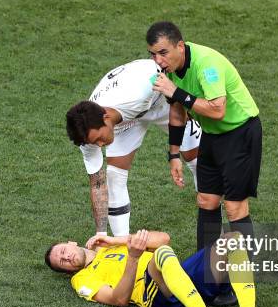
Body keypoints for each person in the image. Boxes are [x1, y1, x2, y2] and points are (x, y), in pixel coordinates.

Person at [146, 22, 262, 261]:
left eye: (163, 53)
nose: (158, 60)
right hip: (212, 135)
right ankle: (206, 274)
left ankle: (243, 278)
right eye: (153, 54)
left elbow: (217, 110)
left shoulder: (206, 64)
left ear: (180, 46)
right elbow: (178, 112)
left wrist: (175, 91)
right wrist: (174, 155)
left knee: (234, 207)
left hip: (240, 133)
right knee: (206, 200)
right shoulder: (169, 69)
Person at [44, 229, 267, 307]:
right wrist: (132, 257)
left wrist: (115, 239)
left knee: (233, 240)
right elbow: (118, 299)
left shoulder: (108, 247)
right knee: (162, 254)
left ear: (71, 243)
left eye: (63, 250)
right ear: (67, 272)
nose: (66, 256)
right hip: (158, 295)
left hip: (179, 277)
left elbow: (163, 238)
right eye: (61, 261)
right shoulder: (82, 280)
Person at [66, 59, 202, 237]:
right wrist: (100, 234)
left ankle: (209, 204)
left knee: (197, 157)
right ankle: (120, 245)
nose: (99, 145)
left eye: (99, 138)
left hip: (160, 101)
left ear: (106, 117)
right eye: (94, 142)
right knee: (114, 177)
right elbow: (97, 184)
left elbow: (174, 86)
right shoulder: (87, 135)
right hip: (125, 121)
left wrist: (174, 152)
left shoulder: (139, 88)